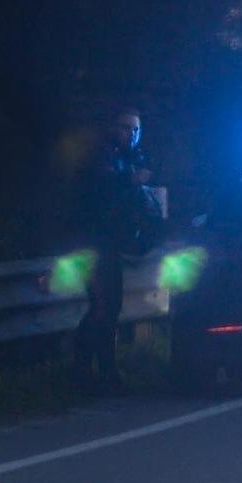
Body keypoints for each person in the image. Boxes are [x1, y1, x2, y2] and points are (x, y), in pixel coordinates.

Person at [70, 106, 154, 395]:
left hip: (110, 244)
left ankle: (102, 374)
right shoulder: (102, 156)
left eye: (136, 129)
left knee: (108, 308)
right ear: (112, 128)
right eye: (125, 127)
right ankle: (85, 373)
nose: (131, 134)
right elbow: (102, 189)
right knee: (103, 307)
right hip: (93, 244)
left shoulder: (129, 158)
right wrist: (131, 180)